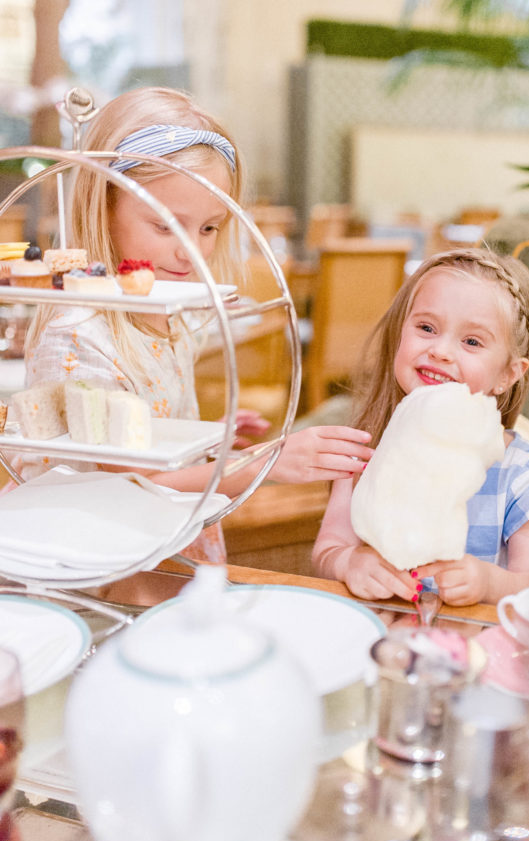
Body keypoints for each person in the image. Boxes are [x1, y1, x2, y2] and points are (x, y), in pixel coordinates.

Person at [20, 87, 373, 555]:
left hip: (165, 535)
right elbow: (130, 486)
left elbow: (147, 433)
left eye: (209, 228)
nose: (194, 249)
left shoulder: (164, 312)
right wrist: (262, 465)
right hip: (102, 558)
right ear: (102, 206)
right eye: (166, 225)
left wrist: (199, 437)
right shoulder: (77, 337)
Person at [312, 248, 529, 606]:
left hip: (478, 650)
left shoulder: (527, 475)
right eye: (426, 328)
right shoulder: (363, 452)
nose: (440, 351)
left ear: (507, 374)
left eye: (471, 342)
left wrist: (488, 582)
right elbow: (327, 551)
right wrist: (349, 562)